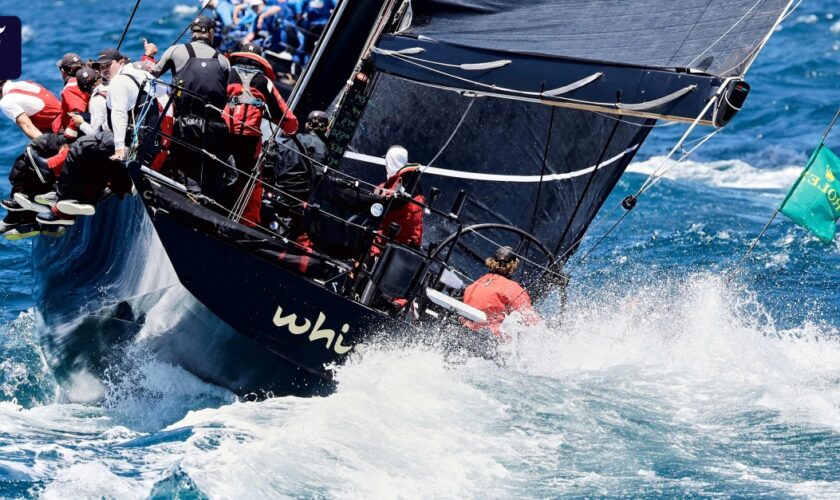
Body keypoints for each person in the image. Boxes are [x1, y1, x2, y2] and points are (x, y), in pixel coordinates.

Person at [153, 15, 231, 199]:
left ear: (192, 32)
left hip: (184, 125)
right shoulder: (223, 61)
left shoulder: (175, 51)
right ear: (211, 33)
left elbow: (153, 73)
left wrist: (148, 56)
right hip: (213, 127)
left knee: (183, 164)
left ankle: (186, 194)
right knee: (210, 168)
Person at [222, 43, 297, 226]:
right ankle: (248, 224)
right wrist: (292, 131)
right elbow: (288, 119)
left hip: (224, 135)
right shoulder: (266, 83)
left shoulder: (227, 74)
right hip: (249, 142)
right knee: (251, 184)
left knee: (220, 170)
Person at [0, 79, 63, 237]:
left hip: (60, 135)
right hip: (65, 128)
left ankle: (24, 219)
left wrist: (46, 149)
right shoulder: (24, 84)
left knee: (22, 168)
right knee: (26, 164)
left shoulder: (6, 101)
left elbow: (27, 126)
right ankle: (19, 216)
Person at [461, 246, 539, 336]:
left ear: (491, 262)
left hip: (465, 330)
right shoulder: (512, 288)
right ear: (513, 267)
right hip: (490, 337)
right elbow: (531, 320)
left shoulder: (474, 285)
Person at [371, 146, 424, 255]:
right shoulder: (412, 183)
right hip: (409, 249)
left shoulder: (400, 184)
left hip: (389, 246)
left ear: (390, 162)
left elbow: (385, 207)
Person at [55, 53, 89, 134]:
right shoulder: (87, 79)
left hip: (79, 133)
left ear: (63, 71)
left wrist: (68, 135)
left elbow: (79, 114)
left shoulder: (70, 88)